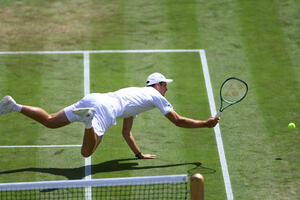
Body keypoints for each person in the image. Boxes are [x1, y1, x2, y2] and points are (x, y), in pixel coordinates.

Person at [0, 72, 220, 159]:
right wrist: (205, 123)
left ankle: (15, 106)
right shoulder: (155, 96)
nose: (166, 89)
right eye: (165, 85)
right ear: (157, 85)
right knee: (87, 152)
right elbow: (178, 120)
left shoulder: (135, 96)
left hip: (93, 99)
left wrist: (139, 154)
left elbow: (126, 132)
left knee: (49, 121)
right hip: (104, 110)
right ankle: (88, 123)